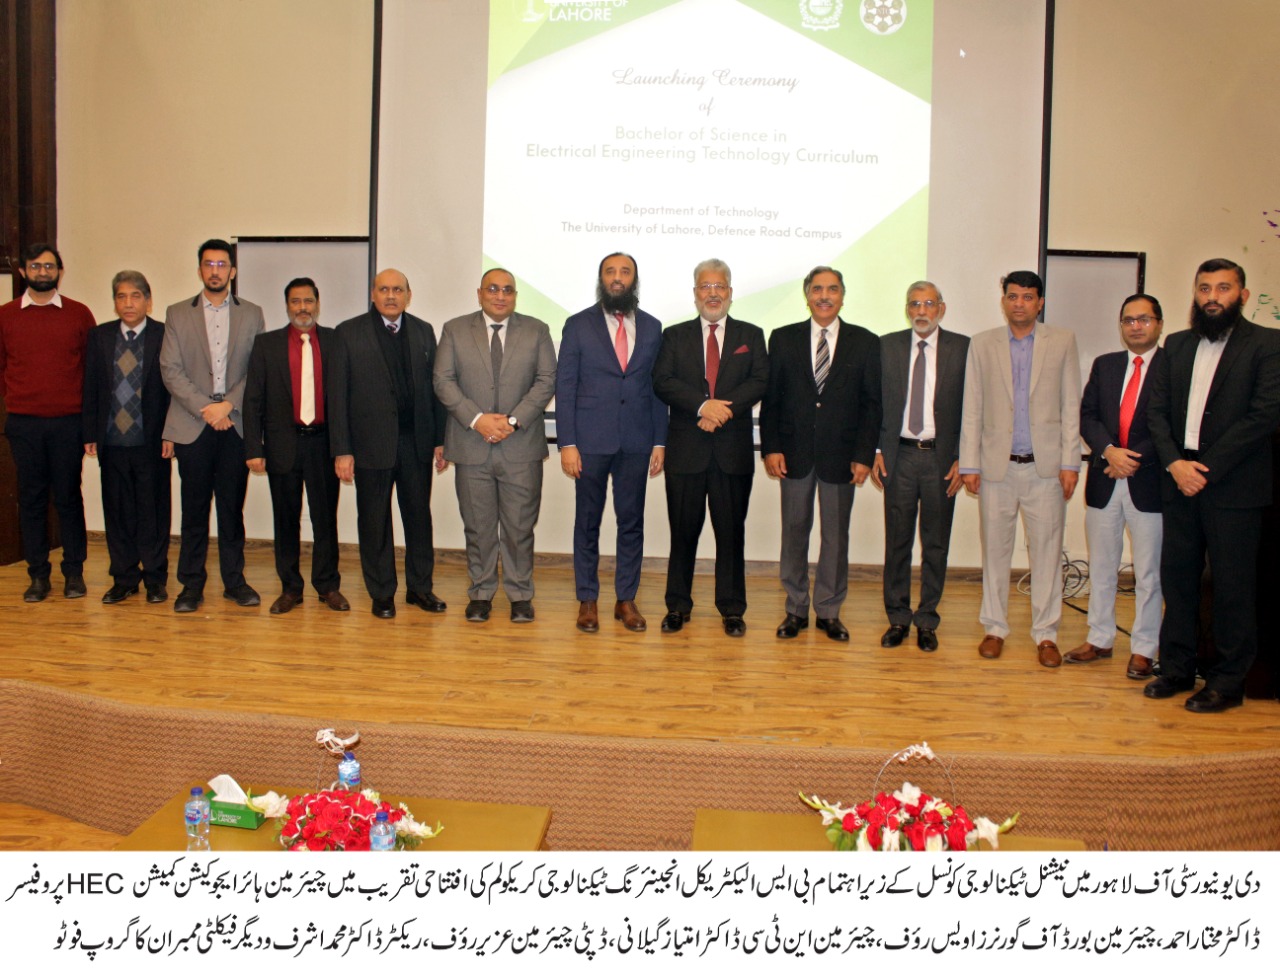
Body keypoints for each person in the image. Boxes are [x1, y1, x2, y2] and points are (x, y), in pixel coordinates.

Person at [1146, 258, 1280, 712]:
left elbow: (1263, 416)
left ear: (1242, 295)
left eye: (1223, 288)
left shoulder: (1268, 344)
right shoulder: (1177, 344)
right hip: (1179, 481)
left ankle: (1227, 681)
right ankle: (1177, 669)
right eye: (1204, 288)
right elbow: (1156, 412)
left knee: (1232, 589)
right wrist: (1176, 464)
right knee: (1179, 582)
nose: (1212, 297)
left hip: (1234, 487)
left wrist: (1203, 469)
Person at [959, 270, 1081, 667]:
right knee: (995, 552)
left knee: (1047, 553)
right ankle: (994, 628)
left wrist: (1070, 462)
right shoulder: (983, 344)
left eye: (1028, 297)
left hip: (1045, 470)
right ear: (1004, 301)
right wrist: (970, 462)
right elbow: (972, 407)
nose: (1019, 303)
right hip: (996, 468)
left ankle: (1046, 634)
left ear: (1039, 302)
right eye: (1013, 296)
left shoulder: (1062, 341)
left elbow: (1070, 405)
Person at [760, 266, 881, 642]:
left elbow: (871, 405)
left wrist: (864, 454)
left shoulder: (865, 341)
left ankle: (828, 610)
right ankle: (795, 608)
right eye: (817, 289)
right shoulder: (783, 338)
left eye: (832, 289)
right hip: (793, 455)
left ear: (842, 295)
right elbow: (772, 400)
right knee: (794, 532)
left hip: (842, 457)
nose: (824, 296)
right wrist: (771, 448)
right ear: (807, 295)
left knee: (835, 537)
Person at [653, 258, 768, 637]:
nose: (713, 293)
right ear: (695, 293)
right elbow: (662, 381)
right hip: (686, 452)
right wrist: (703, 406)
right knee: (682, 533)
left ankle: (732, 609)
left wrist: (720, 412)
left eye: (720, 286)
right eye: (706, 286)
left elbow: (759, 381)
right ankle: (677, 606)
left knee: (731, 534)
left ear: (730, 292)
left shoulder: (751, 334)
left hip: (732, 454)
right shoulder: (674, 336)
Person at [434, 268, 556, 623]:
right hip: (471, 445)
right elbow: (442, 380)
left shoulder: (537, 330)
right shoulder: (455, 329)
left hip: (521, 448)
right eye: (493, 289)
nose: (500, 296)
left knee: (520, 528)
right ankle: (481, 593)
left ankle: (520, 595)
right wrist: (478, 420)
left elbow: (547, 380)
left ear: (515, 295)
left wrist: (512, 422)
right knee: (478, 527)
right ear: (480, 293)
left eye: (507, 290)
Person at [557, 253, 667, 633]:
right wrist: (567, 443)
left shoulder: (652, 327)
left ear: (634, 279)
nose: (617, 278)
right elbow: (565, 386)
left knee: (631, 522)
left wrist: (660, 441)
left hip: (636, 441)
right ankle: (587, 599)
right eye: (610, 271)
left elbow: (657, 389)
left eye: (625, 272)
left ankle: (625, 599)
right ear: (601, 278)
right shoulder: (578, 325)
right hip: (589, 441)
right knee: (587, 522)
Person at [329, 268, 447, 619]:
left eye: (398, 289)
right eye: (384, 289)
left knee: (419, 519)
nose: (391, 295)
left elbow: (435, 390)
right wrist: (342, 450)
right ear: (373, 294)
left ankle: (420, 588)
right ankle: (382, 593)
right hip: (370, 446)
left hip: (416, 444)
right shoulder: (348, 333)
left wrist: (440, 440)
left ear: (408, 295)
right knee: (374, 522)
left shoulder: (423, 331)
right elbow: (337, 396)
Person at [161, 239, 265, 613]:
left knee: (231, 510)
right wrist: (207, 409)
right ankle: (191, 586)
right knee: (193, 510)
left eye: (222, 264)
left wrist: (227, 405)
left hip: (233, 424)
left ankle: (234, 582)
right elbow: (170, 369)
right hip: (193, 423)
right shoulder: (177, 313)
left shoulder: (252, 313)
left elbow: (257, 369)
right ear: (200, 270)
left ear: (232, 271)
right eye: (209, 264)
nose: (215, 271)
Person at [1067, 293, 1165, 679]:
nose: (1135, 326)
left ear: (1159, 324)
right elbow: (1087, 415)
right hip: (1105, 478)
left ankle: (1144, 648)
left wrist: (1130, 458)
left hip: (1150, 482)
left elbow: (1171, 425)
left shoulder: (1173, 367)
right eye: (1128, 320)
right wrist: (1109, 451)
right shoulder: (1105, 365)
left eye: (1144, 319)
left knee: (1149, 573)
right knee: (1102, 566)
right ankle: (1100, 638)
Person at [872, 280, 969, 652]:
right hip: (899, 456)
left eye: (929, 304)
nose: (921, 311)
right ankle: (898, 618)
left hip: (941, 459)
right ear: (907, 309)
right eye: (914, 304)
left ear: (941, 308)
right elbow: (874, 403)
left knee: (936, 544)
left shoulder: (963, 348)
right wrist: (876, 450)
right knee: (897, 542)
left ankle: (927, 619)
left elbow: (973, 408)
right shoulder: (887, 346)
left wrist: (964, 458)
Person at [243, 277, 347, 615]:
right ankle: (290, 588)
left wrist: (344, 448)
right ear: (287, 306)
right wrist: (253, 448)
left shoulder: (335, 341)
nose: (302, 307)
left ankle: (327, 585)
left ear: (318, 304)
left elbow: (343, 398)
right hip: (282, 445)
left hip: (323, 444)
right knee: (285, 520)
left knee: (325, 519)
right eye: (295, 301)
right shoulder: (266, 345)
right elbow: (253, 400)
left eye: (308, 301)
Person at [0, 243, 95, 601]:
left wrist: (87, 424)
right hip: (24, 424)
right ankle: (38, 575)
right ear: (23, 271)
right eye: (36, 266)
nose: (43, 272)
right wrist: (19, 398)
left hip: (68, 423)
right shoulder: (6, 315)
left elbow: (91, 370)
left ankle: (74, 573)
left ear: (60, 271)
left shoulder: (78, 314)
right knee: (32, 500)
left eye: (50, 266)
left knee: (69, 498)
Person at [82, 270, 172, 604]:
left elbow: (173, 390)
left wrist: (171, 433)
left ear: (148, 301)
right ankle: (124, 578)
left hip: (152, 441)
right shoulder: (100, 336)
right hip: (112, 442)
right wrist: (90, 431)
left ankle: (155, 578)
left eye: (136, 296)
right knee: (117, 512)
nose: (129, 303)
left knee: (153, 512)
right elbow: (91, 386)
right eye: (122, 296)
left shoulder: (164, 335)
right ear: (115, 302)